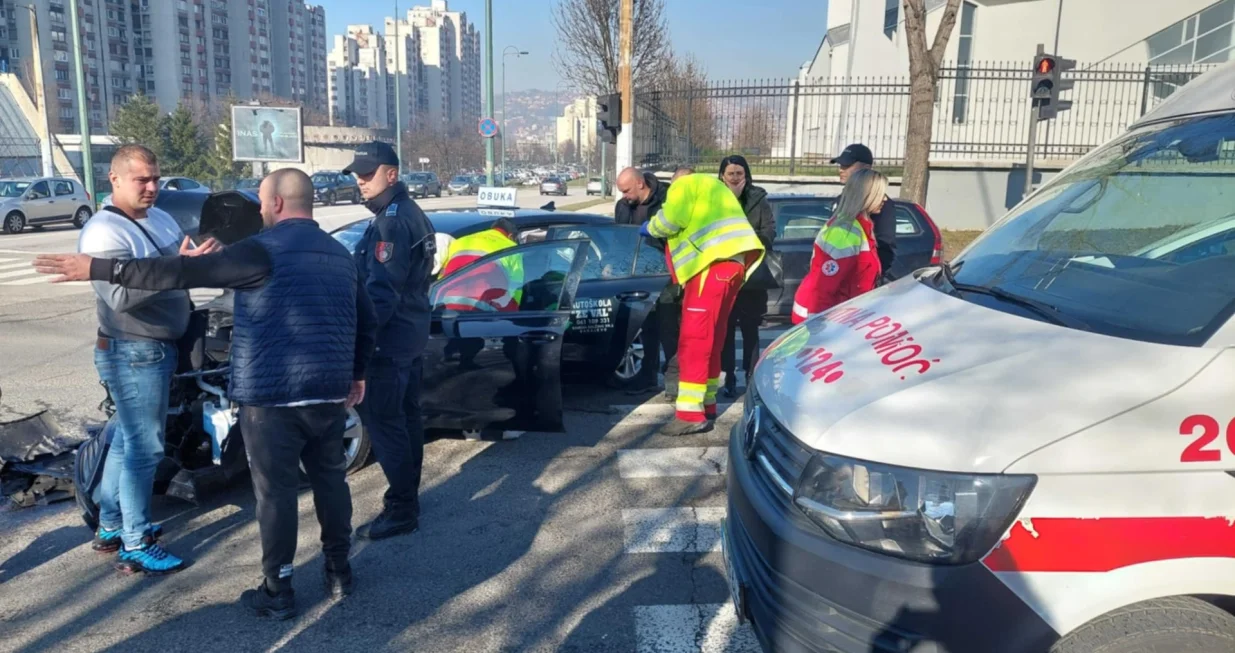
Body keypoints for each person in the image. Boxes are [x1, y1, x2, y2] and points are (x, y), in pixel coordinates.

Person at [35, 168, 379, 618]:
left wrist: (97, 268)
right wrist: (356, 374)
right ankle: (339, 573)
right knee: (330, 480)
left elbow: (179, 272)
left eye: (260, 200)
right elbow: (367, 320)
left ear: (275, 204)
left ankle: (279, 590)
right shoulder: (340, 253)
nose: (258, 208)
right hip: (328, 393)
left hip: (271, 400)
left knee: (275, 496)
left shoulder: (260, 251)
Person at [77, 145, 202, 576]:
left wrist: (196, 259)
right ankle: (136, 539)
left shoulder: (159, 216)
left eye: (155, 178)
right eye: (141, 180)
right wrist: (176, 268)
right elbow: (119, 296)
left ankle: (111, 526)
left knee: (129, 443)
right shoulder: (102, 233)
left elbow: (177, 265)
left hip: (153, 349)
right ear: (114, 180)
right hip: (133, 350)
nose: (152, 187)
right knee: (143, 448)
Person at [344, 141, 438, 541]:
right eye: (357, 174)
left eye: (368, 174)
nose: (360, 181)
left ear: (392, 174)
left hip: (390, 340)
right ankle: (408, 498)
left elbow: (382, 293)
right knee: (406, 419)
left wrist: (361, 344)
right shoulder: (406, 213)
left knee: (387, 424)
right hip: (409, 334)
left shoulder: (392, 222)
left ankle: (402, 507)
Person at [644, 174, 765, 436]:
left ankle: (690, 414)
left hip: (709, 267)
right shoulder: (715, 189)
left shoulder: (684, 185)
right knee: (713, 337)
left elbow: (671, 220)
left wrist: (651, 226)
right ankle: (707, 403)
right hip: (733, 267)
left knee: (693, 340)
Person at [792, 168, 888, 324]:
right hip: (825, 318)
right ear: (866, 195)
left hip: (840, 316)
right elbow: (824, 287)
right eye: (880, 193)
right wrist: (818, 327)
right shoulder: (845, 232)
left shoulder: (859, 227)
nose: (884, 199)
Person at [717, 155, 775, 398]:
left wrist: (749, 245)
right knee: (726, 329)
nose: (735, 178)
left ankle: (751, 375)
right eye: (730, 173)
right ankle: (728, 376)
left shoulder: (758, 198)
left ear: (746, 175)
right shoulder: (715, 199)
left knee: (751, 329)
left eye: (739, 173)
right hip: (724, 273)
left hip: (752, 273)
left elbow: (769, 231)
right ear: (722, 176)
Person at [614, 167, 672, 394]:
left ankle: (673, 379)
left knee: (668, 329)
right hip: (635, 274)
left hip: (663, 273)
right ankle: (648, 377)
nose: (624, 196)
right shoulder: (623, 206)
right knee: (645, 327)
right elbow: (619, 237)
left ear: (640, 183)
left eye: (627, 190)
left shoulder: (665, 199)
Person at [832, 143, 896, 280]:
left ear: (866, 169)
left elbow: (884, 247)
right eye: (841, 165)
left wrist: (872, 279)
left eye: (847, 166)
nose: (841, 170)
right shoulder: (841, 199)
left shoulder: (880, 204)